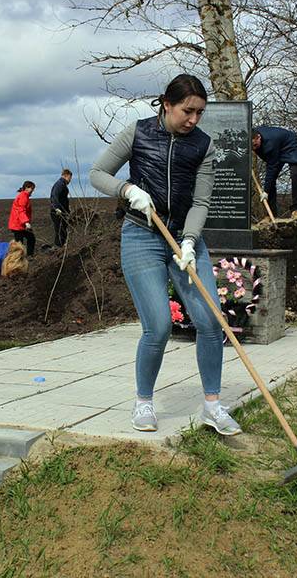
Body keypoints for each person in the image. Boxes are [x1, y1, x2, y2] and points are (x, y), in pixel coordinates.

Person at [90, 73, 242, 436]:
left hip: (184, 240)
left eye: (200, 113)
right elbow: (98, 173)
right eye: (187, 111)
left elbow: (201, 202)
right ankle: (144, 402)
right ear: (167, 104)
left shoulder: (203, 145)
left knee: (211, 320)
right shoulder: (138, 133)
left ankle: (212, 406)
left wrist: (190, 241)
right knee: (158, 325)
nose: (193, 119)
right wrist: (128, 190)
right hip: (141, 236)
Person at [251, 126, 297, 219]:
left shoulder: (270, 143)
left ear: (258, 137)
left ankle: (296, 210)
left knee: (295, 173)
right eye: (251, 147)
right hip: (276, 148)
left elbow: (271, 167)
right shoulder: (250, 138)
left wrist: (266, 191)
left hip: (291, 145)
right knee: (271, 181)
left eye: (255, 145)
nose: (254, 149)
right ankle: (271, 214)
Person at [8, 181, 36, 256]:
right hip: (18, 225)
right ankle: (20, 258)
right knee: (20, 244)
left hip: (20, 224)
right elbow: (21, 210)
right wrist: (26, 222)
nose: (33, 190)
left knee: (30, 238)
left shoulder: (24, 196)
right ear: (26, 188)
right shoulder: (23, 196)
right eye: (32, 188)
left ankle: (28, 256)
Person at [50, 169, 72, 247]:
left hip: (62, 211)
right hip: (57, 212)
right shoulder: (59, 184)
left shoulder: (62, 184)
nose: (70, 180)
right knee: (60, 230)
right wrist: (56, 208)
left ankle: (62, 246)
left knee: (62, 230)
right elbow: (54, 196)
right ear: (66, 176)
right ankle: (59, 247)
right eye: (69, 178)